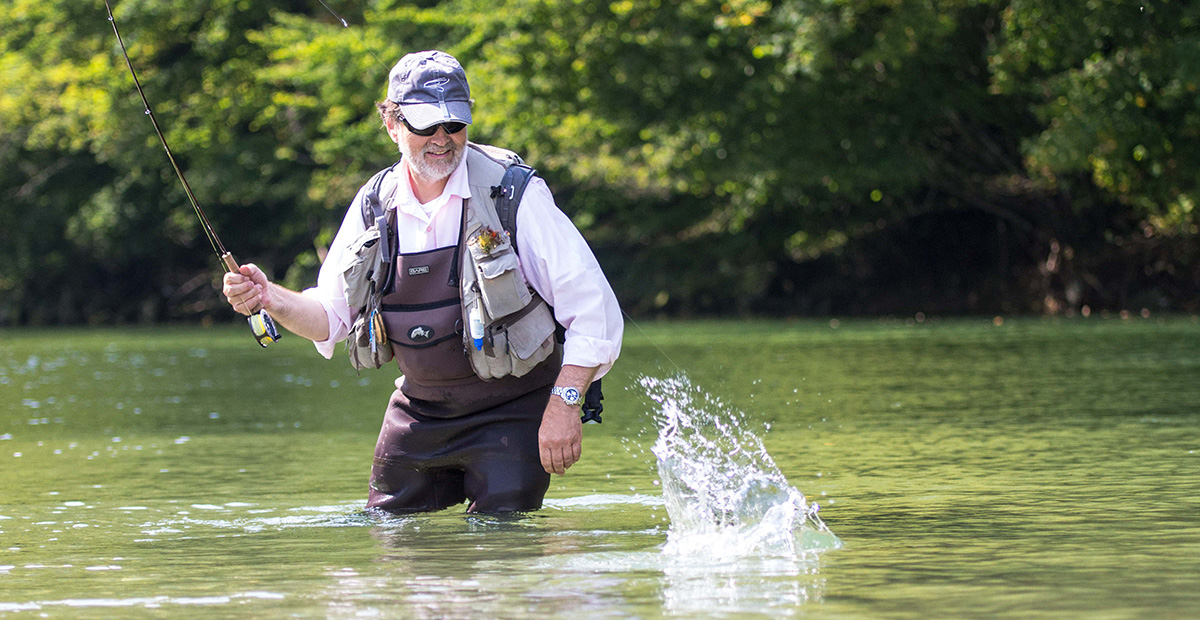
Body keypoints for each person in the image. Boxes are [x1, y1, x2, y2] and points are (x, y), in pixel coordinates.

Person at [222, 50, 623, 513]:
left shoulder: (513, 193)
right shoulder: (375, 203)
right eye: (425, 125)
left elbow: (594, 312)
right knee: (386, 533)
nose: (443, 139)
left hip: (515, 409)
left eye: (454, 125)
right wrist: (270, 298)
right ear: (392, 125)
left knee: (502, 545)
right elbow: (330, 317)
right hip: (420, 411)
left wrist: (565, 404)